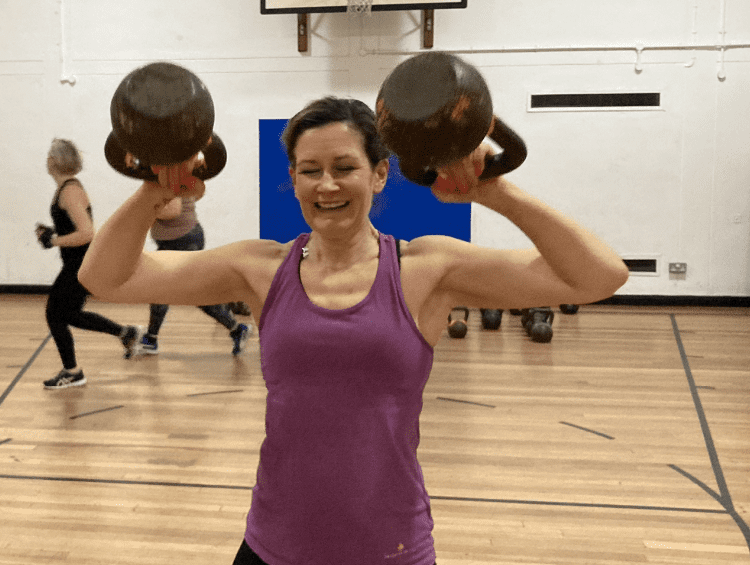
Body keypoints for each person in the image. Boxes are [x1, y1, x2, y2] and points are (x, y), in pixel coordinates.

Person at [79, 97, 629, 565]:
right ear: (293, 179)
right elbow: (105, 278)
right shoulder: (260, 268)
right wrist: (153, 191)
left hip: (390, 547)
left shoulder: (426, 269)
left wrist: (494, 190)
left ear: (380, 173)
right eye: (309, 170)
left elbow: (599, 276)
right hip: (275, 544)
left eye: (345, 167)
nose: (327, 185)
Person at [35, 138, 143, 389]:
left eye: (50, 155)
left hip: (81, 264)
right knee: (69, 314)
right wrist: (52, 233)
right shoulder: (66, 189)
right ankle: (126, 333)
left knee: (54, 314)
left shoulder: (70, 191)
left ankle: (73, 372)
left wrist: (53, 241)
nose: (47, 159)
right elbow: (74, 228)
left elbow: (86, 233)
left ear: (55, 161)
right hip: (79, 262)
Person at [141, 195, 250, 355]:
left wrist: (146, 210)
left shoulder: (172, 180)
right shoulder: (163, 181)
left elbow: (173, 210)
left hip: (184, 241)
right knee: (175, 291)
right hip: (175, 242)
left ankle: (151, 340)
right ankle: (237, 329)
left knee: (166, 289)